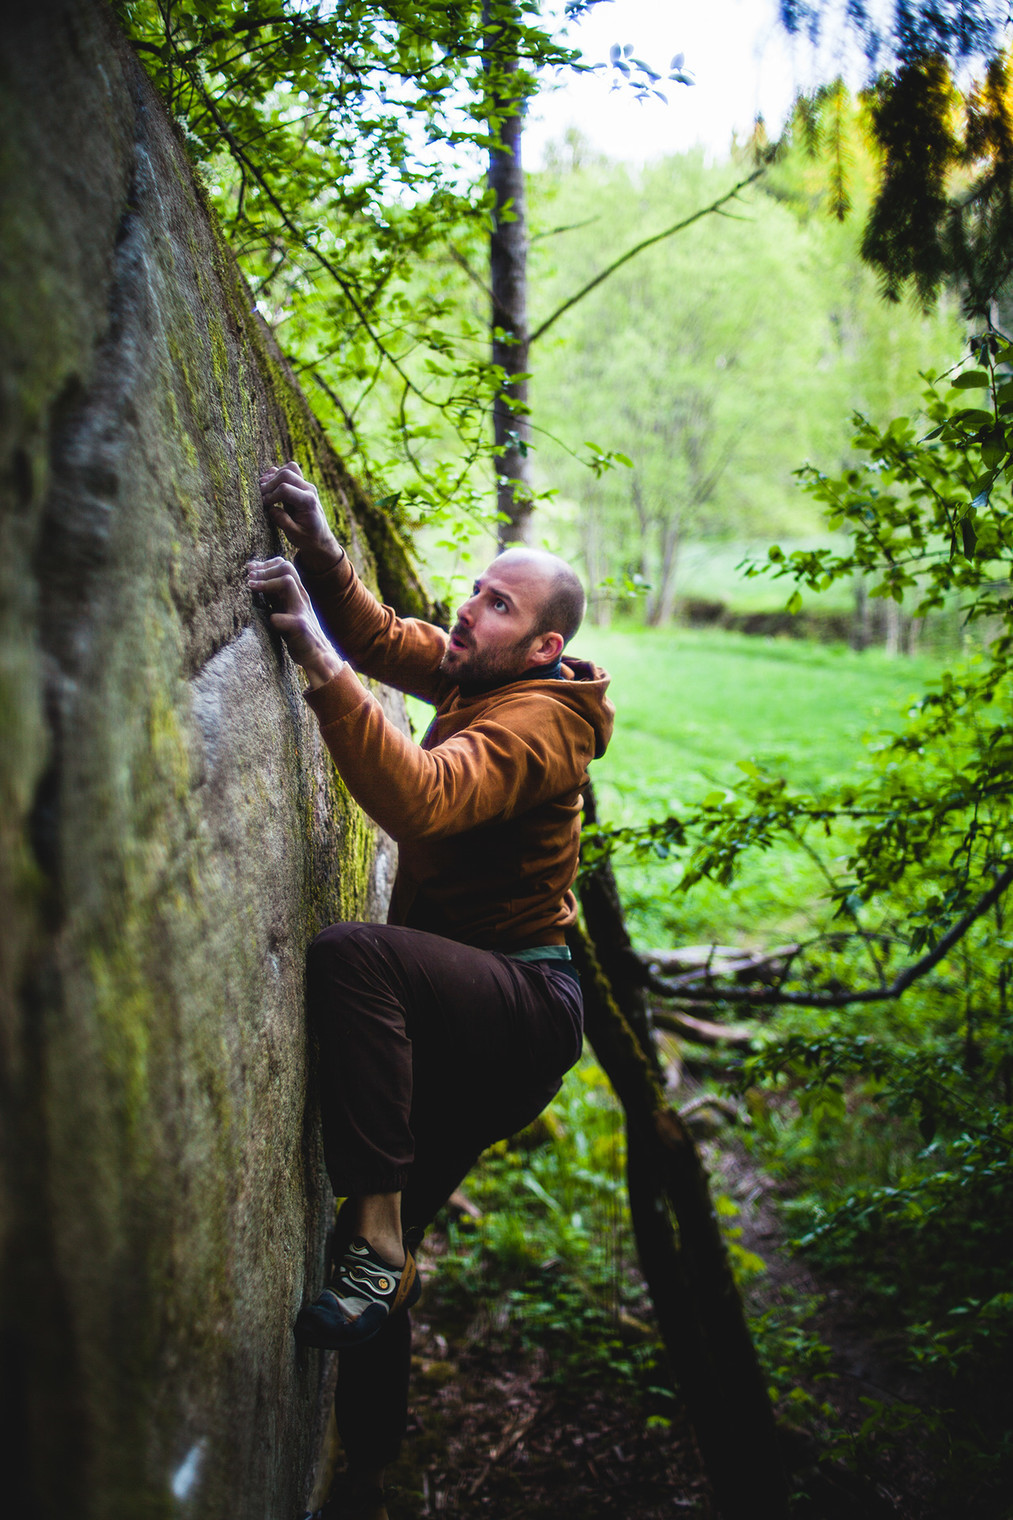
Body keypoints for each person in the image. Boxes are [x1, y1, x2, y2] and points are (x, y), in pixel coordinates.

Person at [248, 462, 613, 1520]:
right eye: (476, 588)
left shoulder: (542, 722)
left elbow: (423, 798)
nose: (467, 607)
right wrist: (320, 550)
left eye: (497, 604)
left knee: (353, 955)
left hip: (519, 1010)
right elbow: (383, 638)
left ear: (542, 645)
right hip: (461, 1011)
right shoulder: (474, 672)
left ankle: (378, 1231)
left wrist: (314, 661)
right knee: (371, 1256)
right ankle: (372, 1469)